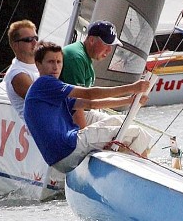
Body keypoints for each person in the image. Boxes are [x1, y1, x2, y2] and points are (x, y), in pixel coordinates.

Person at [24, 41, 154, 173]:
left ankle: (123, 166)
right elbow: (90, 94)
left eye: (59, 62)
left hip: (62, 156)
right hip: (68, 149)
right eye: (51, 62)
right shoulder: (45, 83)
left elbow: (90, 104)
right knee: (137, 133)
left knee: (119, 121)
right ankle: (142, 175)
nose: (56, 67)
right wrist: (132, 87)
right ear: (38, 64)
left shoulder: (51, 91)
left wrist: (129, 100)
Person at [61, 20, 122, 87]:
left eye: (112, 45)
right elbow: (78, 96)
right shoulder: (76, 57)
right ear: (91, 40)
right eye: (106, 44)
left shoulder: (84, 57)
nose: (109, 50)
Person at [3, 19, 40, 120]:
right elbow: (42, 100)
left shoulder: (42, 65)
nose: (35, 42)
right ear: (15, 45)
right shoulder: (17, 74)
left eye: (36, 38)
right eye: (28, 40)